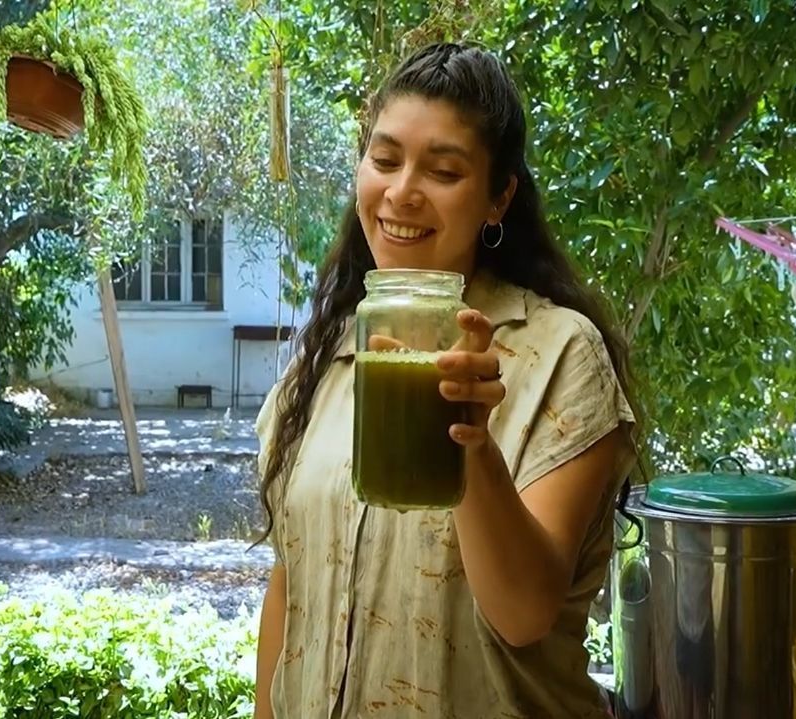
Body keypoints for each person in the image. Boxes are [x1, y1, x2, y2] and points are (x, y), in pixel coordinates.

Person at [252, 41, 642, 719]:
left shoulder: (559, 355)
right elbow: (291, 589)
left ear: (498, 198)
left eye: (443, 169)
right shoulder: (324, 360)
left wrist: (472, 440)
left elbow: (522, 612)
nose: (402, 190)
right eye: (384, 159)